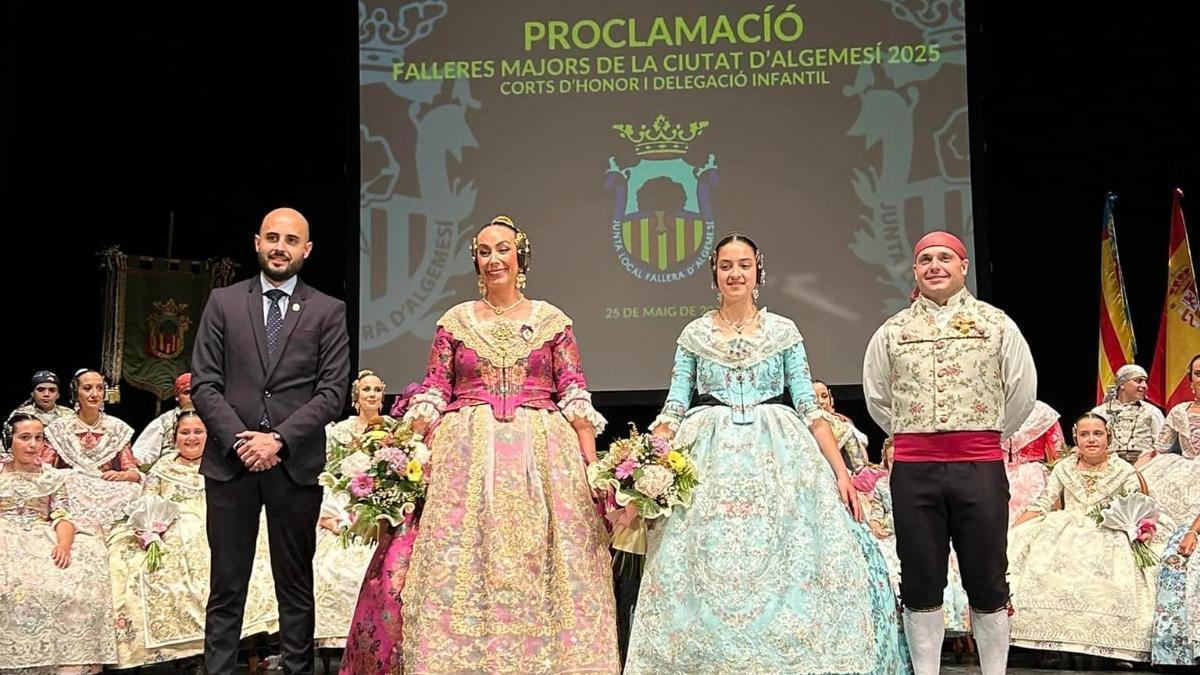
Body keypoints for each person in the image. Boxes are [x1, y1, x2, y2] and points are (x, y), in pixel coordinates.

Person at [625, 233, 902, 674]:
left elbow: (810, 408)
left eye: (744, 265)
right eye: (726, 265)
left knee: (792, 557)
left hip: (781, 452)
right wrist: (645, 462)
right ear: (713, 274)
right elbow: (675, 407)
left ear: (759, 272)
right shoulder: (694, 334)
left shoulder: (784, 331)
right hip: (708, 455)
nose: (735, 273)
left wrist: (841, 474)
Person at [379, 215, 619, 673]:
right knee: (466, 557)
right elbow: (435, 388)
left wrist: (592, 466)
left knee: (551, 556)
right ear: (476, 261)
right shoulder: (455, 321)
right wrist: (405, 448)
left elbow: (572, 389)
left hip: (543, 453)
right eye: (485, 251)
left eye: (503, 249)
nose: (494, 259)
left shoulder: (551, 320)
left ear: (520, 256)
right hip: (466, 453)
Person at [862, 230, 1037, 675]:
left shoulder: (996, 324)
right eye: (925, 259)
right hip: (915, 470)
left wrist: (985, 438)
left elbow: (1020, 392)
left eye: (944, 258)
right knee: (920, 576)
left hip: (978, 465)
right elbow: (879, 397)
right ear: (916, 271)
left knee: (988, 576)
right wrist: (914, 435)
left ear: (963, 267)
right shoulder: (892, 331)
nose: (934, 265)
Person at [191, 206, 351, 675]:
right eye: (272, 238)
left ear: (307, 250)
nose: (280, 247)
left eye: (291, 240)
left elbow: (332, 393)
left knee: (296, 588)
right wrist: (243, 441)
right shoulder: (223, 302)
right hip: (230, 463)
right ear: (257, 242)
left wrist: (278, 439)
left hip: (294, 465)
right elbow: (203, 383)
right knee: (226, 586)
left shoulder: (328, 310)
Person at [107, 411, 279, 670]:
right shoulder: (163, 468)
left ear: (209, 435)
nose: (191, 438)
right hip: (174, 526)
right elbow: (147, 502)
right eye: (184, 432)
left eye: (198, 432)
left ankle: (233, 642)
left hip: (220, 521)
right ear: (175, 437)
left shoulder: (222, 463)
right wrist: (152, 529)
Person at [1009, 412, 1169, 662]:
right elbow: (1043, 502)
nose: (1091, 439)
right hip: (1064, 528)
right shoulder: (1064, 467)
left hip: (1109, 531)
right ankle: (1053, 642)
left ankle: (1114, 646)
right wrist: (1014, 530)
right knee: (1041, 563)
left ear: (1109, 438)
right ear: (1076, 438)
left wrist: (1142, 529)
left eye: (1098, 433)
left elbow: (1138, 506)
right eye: (1084, 434)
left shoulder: (1123, 470)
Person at [0, 412, 116, 673]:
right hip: (4, 536)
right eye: (24, 438)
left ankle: (65, 661)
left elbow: (62, 516)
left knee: (73, 580)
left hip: (40, 535)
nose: (32, 445)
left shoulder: (52, 477)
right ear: (10, 440)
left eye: (38, 438)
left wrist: (63, 545)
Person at [44, 368, 143, 536]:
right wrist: (68, 476)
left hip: (105, 488)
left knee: (132, 490)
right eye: (87, 388)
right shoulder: (59, 427)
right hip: (74, 487)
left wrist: (122, 476)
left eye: (99, 388)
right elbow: (44, 467)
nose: (95, 394)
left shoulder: (117, 427)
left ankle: (112, 532)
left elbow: (133, 471)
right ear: (76, 393)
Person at [1092, 364, 1165, 463]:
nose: (1144, 386)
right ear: (1122, 384)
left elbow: (1162, 445)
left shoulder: (1152, 412)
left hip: (1145, 466)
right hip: (1109, 465)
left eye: (1145, 382)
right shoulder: (1099, 412)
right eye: (1138, 381)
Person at [131, 372, 196, 465]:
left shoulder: (214, 418)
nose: (193, 397)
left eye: (197, 392)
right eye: (187, 392)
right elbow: (142, 452)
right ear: (177, 396)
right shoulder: (165, 420)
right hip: (170, 470)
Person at [812, 378, 872, 473]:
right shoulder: (798, 427)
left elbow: (861, 462)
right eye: (814, 398)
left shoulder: (843, 424)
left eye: (824, 396)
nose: (821, 401)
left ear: (831, 399)